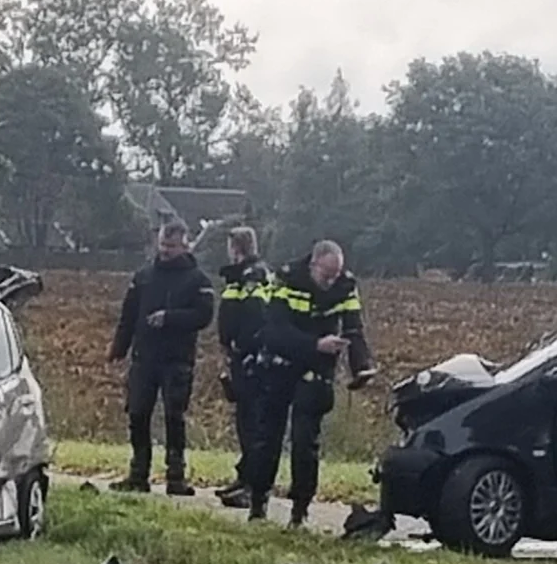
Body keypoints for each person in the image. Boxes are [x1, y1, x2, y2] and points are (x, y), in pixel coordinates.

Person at [240, 238, 373, 525]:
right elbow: (275, 331)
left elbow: (354, 327)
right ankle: (258, 503)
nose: (331, 281)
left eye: (335, 275)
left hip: (316, 371)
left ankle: (300, 510)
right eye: (326, 275)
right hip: (280, 364)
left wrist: (361, 367)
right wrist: (315, 344)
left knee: (305, 442)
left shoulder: (345, 285)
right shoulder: (286, 278)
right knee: (267, 438)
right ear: (313, 265)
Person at [108, 218, 215, 493]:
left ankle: (176, 476)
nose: (166, 251)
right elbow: (128, 315)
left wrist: (170, 318)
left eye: (172, 246)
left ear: (185, 245)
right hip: (145, 358)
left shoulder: (198, 280)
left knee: (174, 416)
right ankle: (138, 473)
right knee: (138, 414)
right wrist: (119, 347)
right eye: (163, 244)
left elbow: (203, 316)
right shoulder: (144, 276)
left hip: (177, 360)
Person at [213, 225, 286, 512]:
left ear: (237, 247)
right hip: (239, 356)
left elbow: (255, 316)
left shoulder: (253, 275)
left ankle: (252, 487)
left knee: (254, 426)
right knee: (245, 422)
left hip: (252, 360)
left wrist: (243, 348)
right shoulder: (239, 276)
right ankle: (244, 477)